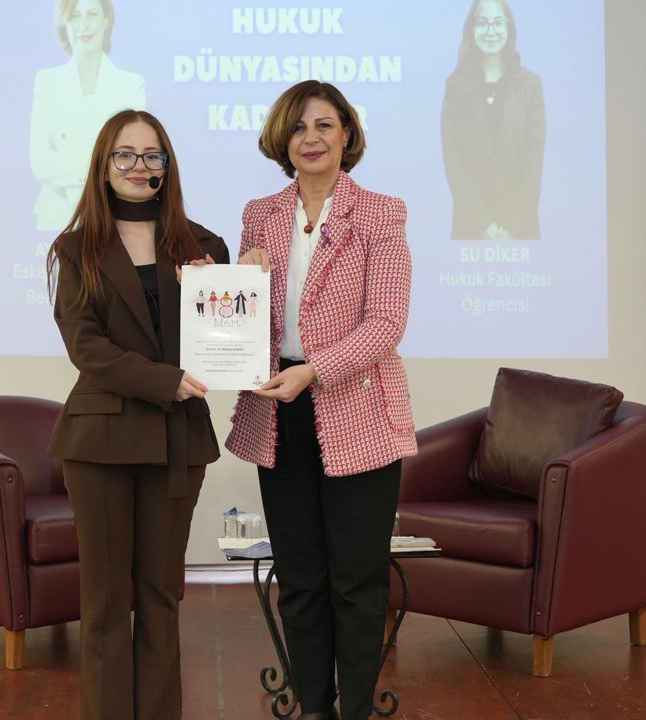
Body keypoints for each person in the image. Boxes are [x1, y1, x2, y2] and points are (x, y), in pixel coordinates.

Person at [227, 80, 417, 720]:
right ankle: (314, 706)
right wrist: (239, 281)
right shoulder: (260, 214)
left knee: (357, 581)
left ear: (347, 136)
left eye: (325, 125)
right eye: (299, 126)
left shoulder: (381, 213)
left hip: (356, 412)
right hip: (278, 412)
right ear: (282, 139)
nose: (311, 138)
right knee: (300, 575)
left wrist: (316, 371)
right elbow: (244, 321)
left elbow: (386, 323)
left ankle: (355, 709)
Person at [48, 109, 229, 720]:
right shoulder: (75, 249)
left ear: (166, 167)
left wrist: (221, 294)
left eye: (152, 155)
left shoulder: (205, 248)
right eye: (124, 155)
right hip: (99, 443)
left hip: (179, 442)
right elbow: (87, 347)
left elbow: (223, 344)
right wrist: (165, 381)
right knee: (104, 604)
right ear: (104, 166)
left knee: (161, 598)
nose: (138, 166)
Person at [31, 0, 145, 234]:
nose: (83, 25)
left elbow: (129, 159)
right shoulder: (47, 83)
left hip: (112, 215)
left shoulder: (131, 85)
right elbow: (41, 162)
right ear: (64, 24)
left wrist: (71, 165)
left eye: (91, 14)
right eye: (75, 16)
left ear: (106, 20)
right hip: (56, 215)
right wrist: (99, 170)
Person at [441, 0, 544, 240]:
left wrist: (512, 223)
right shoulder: (456, 87)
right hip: (471, 226)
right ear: (471, 29)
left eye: (498, 22)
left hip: (521, 228)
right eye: (482, 23)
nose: (490, 31)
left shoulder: (530, 86)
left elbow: (533, 161)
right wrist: (483, 223)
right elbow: (453, 161)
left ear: (509, 29)